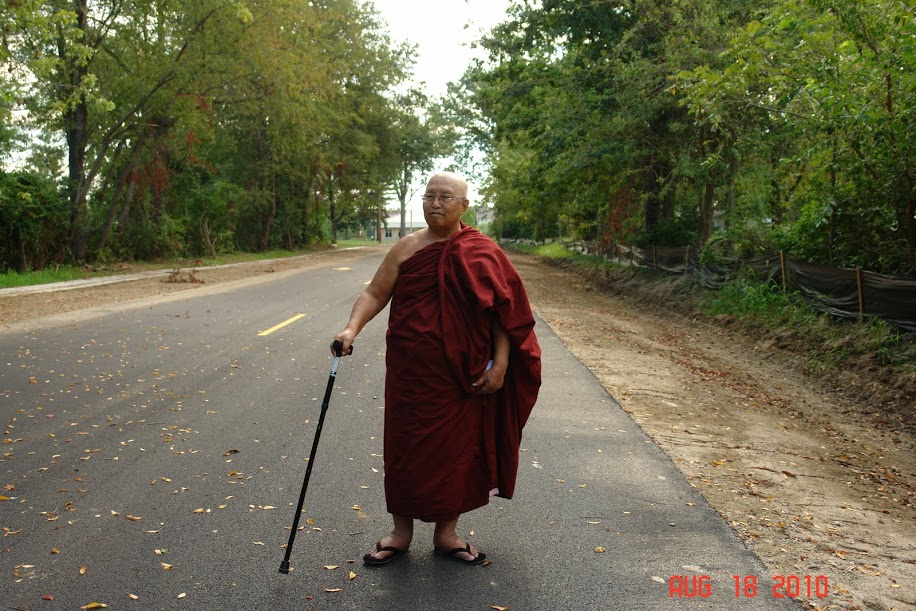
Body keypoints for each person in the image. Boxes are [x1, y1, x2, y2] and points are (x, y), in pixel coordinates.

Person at [332, 171, 541, 566]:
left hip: (462, 375)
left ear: (464, 206)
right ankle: (400, 532)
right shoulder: (407, 248)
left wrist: (500, 366)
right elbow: (376, 292)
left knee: (455, 452)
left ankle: (447, 534)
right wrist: (350, 329)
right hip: (410, 372)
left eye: (446, 197)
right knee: (404, 448)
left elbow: (504, 316)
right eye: (429, 197)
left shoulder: (482, 251)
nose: (436, 204)